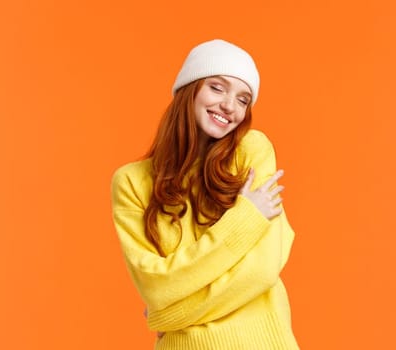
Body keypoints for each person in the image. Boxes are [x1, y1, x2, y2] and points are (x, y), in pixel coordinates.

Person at [110, 39, 300, 349]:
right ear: (189, 89)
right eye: (217, 87)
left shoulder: (251, 152)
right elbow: (157, 288)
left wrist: (167, 317)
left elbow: (261, 271)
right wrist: (246, 218)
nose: (229, 105)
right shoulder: (131, 183)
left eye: (243, 99)